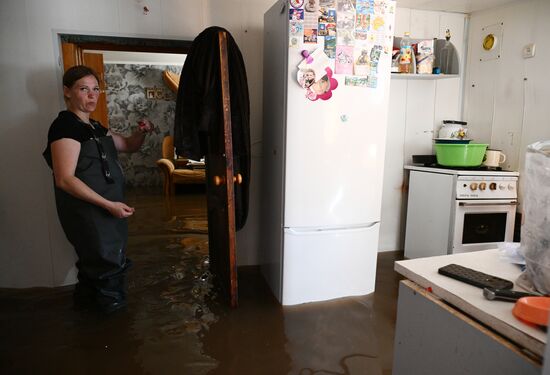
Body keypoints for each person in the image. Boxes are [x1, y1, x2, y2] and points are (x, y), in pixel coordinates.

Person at [42, 65, 154, 314]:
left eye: (96, 89)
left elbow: (128, 145)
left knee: (97, 271)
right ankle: (114, 337)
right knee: (107, 268)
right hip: (90, 212)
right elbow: (65, 179)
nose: (93, 95)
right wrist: (108, 205)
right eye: (84, 89)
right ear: (67, 92)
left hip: (107, 210)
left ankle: (88, 332)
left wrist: (141, 132)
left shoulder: (94, 127)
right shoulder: (64, 127)